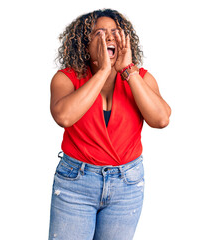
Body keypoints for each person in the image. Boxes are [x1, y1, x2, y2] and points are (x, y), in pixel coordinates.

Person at [48, 9, 171, 240]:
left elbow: (161, 119)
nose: (110, 37)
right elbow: (64, 117)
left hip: (127, 184)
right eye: (100, 33)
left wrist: (128, 72)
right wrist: (104, 71)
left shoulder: (142, 79)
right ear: (85, 44)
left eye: (116, 32)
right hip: (76, 183)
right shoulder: (66, 78)